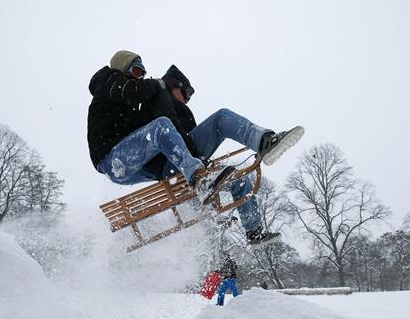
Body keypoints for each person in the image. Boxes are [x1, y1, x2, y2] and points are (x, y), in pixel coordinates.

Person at [87, 51, 303, 247]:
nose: (187, 98)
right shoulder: (117, 84)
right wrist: (159, 86)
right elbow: (162, 120)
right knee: (164, 126)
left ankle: (254, 231)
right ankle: (200, 178)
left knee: (236, 172)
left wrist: (204, 164)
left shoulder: (146, 105)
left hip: (166, 164)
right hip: (116, 159)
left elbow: (178, 136)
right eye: (136, 71)